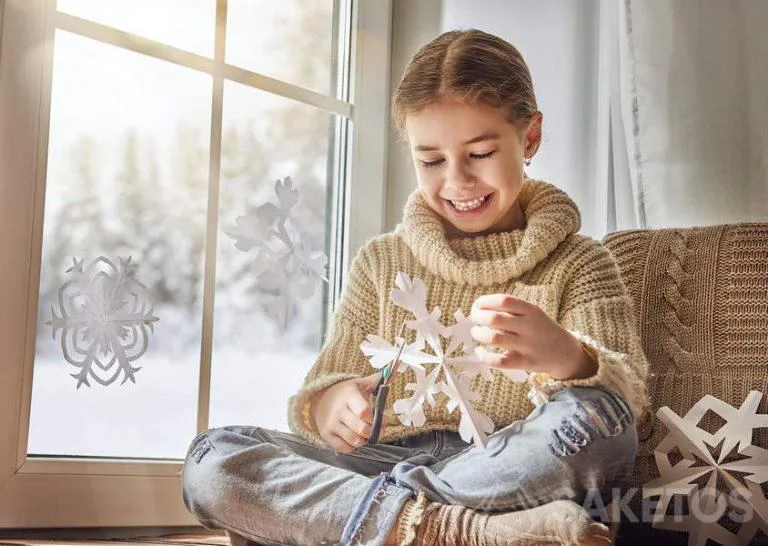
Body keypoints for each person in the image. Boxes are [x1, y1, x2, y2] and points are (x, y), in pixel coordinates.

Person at [181, 29, 650, 546]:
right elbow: (323, 390)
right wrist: (328, 404)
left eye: (481, 153)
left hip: (504, 466)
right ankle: (463, 532)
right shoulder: (381, 262)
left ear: (530, 137)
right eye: (431, 160)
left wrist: (570, 359)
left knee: (603, 425)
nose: (458, 181)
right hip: (379, 459)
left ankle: (370, 522)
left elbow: (621, 404)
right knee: (213, 459)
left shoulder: (580, 262)